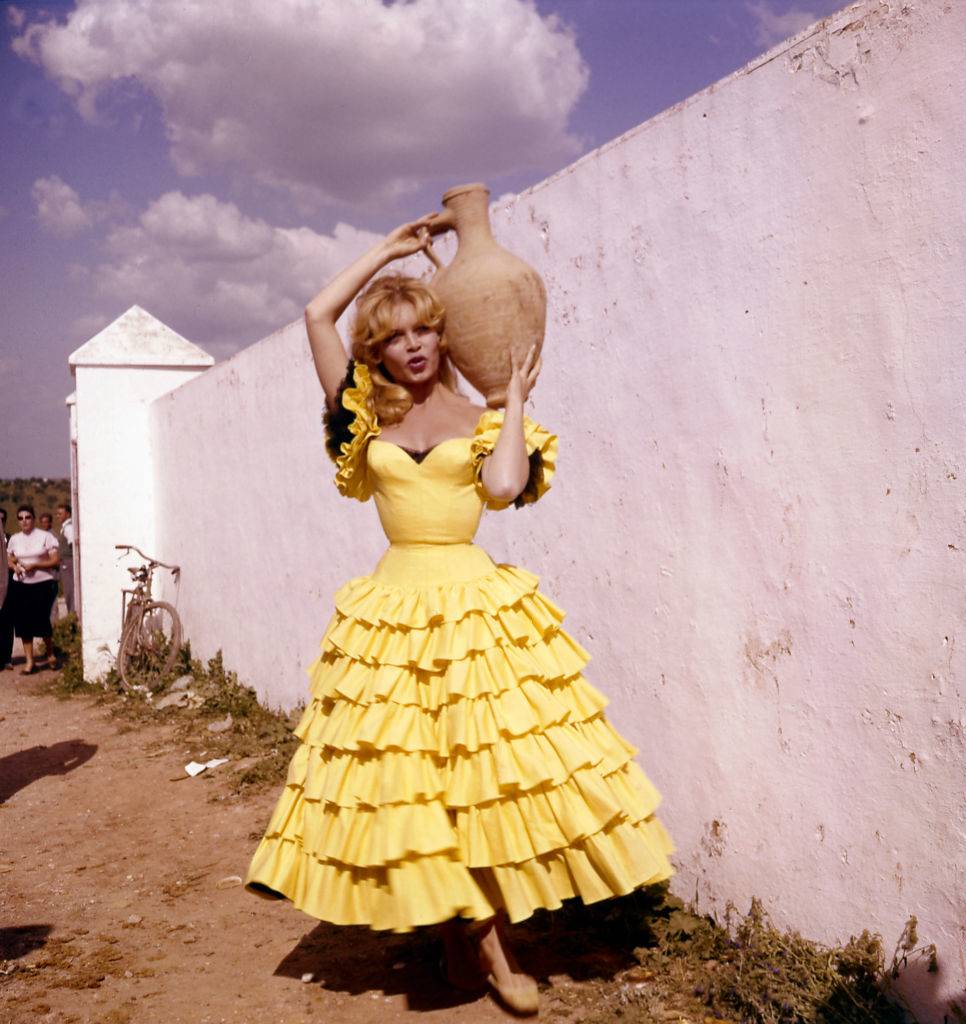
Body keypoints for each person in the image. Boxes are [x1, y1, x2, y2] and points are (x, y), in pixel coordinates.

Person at [245, 217, 674, 1015]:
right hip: (391, 614)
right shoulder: (360, 415)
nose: (410, 347)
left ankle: (470, 936)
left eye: (422, 331)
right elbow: (314, 316)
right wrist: (389, 252)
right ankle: (475, 940)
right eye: (392, 337)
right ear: (374, 351)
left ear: (442, 338)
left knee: (480, 781)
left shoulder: (479, 414)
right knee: (409, 783)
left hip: (475, 611)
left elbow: (506, 488)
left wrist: (512, 400)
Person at [6, 505, 60, 673]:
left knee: (42, 620)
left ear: (33, 519)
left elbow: (55, 560)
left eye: (27, 517)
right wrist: (14, 567)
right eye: (21, 518)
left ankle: (50, 653)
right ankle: (30, 662)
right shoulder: (15, 538)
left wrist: (36, 564)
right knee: (23, 623)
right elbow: (9, 557)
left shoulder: (45, 536)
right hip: (20, 584)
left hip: (43, 584)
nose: (24, 521)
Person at [56, 503, 75, 615]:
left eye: (60, 514)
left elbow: (72, 544)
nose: (58, 516)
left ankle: (72, 615)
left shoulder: (68, 528)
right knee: (68, 591)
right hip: (65, 563)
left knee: (70, 591)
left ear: (67, 514)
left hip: (68, 563)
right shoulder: (65, 527)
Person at [0, 509, 12, 670]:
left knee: (7, 623)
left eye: (2, 519)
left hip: (8, 584)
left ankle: (7, 658)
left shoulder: (10, 538)